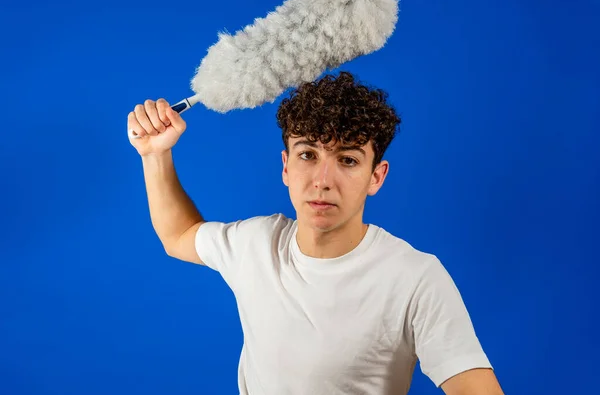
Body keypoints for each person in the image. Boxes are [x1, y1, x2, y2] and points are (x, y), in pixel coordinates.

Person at [127, 71, 505, 395]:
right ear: (286, 167)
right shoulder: (256, 244)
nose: (323, 181)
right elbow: (179, 235)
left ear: (377, 176)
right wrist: (155, 155)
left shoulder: (415, 279)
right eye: (308, 155)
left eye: (348, 160)